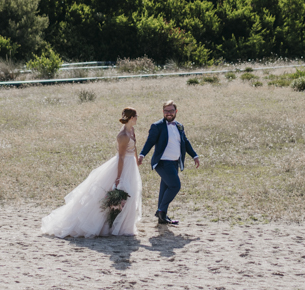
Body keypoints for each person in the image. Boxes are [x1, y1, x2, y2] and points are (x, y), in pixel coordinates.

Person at [41, 107, 143, 238]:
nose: (136, 118)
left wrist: (136, 159)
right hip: (123, 165)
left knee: (131, 194)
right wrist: (118, 177)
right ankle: (112, 225)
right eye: (135, 116)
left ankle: (125, 225)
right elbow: (121, 157)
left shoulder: (132, 130)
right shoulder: (122, 136)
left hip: (131, 165)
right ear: (130, 118)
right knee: (122, 194)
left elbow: (134, 147)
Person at [137, 100, 200, 225]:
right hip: (162, 163)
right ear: (163, 112)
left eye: (171, 111)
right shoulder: (157, 126)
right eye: (166, 111)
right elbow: (150, 141)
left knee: (165, 188)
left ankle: (162, 217)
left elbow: (185, 142)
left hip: (174, 163)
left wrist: (194, 155)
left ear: (176, 111)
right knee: (175, 185)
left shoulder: (179, 126)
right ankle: (160, 210)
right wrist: (142, 154)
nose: (168, 113)